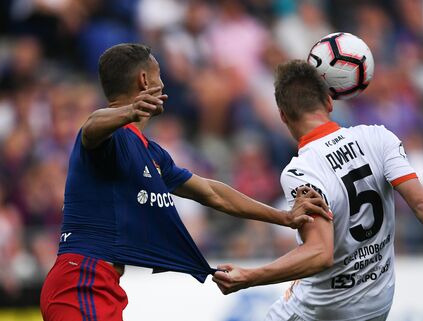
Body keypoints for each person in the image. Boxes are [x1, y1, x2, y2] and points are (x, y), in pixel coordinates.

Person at [40, 44, 331, 321]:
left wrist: (284, 217)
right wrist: (129, 112)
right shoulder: (109, 138)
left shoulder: (151, 153)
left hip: (101, 284)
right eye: (159, 75)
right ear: (144, 80)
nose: (163, 84)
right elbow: (91, 127)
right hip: (81, 280)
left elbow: (212, 193)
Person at [212, 60, 423, 321]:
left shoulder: (301, 171)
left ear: (283, 116)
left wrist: (249, 277)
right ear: (329, 102)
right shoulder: (378, 137)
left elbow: (319, 253)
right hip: (378, 302)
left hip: (325, 309)